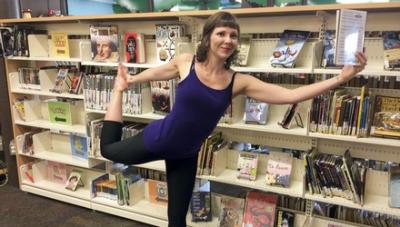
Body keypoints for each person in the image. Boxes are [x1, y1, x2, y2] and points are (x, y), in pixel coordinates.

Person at [100, 11, 367, 227]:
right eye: (221, 33)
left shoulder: (239, 82)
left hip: (187, 153)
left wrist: (341, 78)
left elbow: (291, 94)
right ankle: (115, 93)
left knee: (177, 219)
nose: (228, 40)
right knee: (108, 149)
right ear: (208, 37)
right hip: (160, 139)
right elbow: (160, 72)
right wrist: (129, 81)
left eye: (233, 36)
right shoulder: (186, 62)